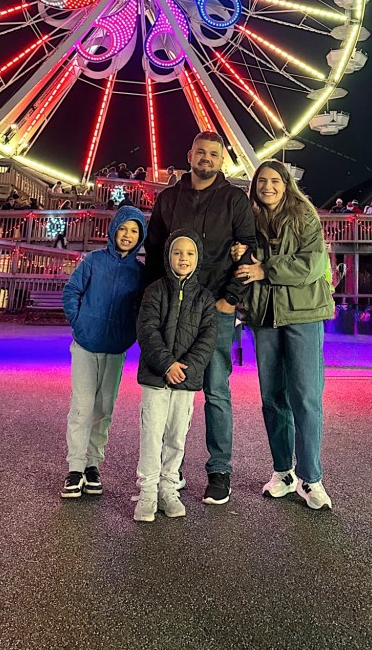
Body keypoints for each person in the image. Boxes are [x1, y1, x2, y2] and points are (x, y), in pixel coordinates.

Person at [144, 130, 256, 506]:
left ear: (222, 160)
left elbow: (249, 249)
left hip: (215, 307)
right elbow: (154, 252)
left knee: (216, 389)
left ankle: (219, 470)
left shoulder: (234, 200)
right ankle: (165, 472)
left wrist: (230, 300)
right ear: (189, 155)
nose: (206, 158)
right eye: (201, 152)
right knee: (167, 388)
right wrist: (152, 301)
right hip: (173, 306)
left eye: (213, 153)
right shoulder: (168, 199)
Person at [233, 161, 335, 510]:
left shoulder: (304, 216)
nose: (268, 186)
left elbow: (312, 263)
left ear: (286, 183)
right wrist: (242, 256)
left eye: (275, 180)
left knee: (306, 397)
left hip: (304, 313)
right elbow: (243, 263)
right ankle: (283, 471)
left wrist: (265, 268)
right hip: (265, 316)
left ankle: (311, 477)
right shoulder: (249, 219)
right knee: (272, 397)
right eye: (262, 181)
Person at [61, 206, 147, 500]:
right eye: (123, 228)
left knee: (104, 409)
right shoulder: (94, 261)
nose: (127, 235)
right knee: (82, 406)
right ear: (114, 230)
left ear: (140, 237)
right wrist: (79, 322)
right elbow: (71, 291)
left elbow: (141, 308)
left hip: (115, 349)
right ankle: (75, 467)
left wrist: (129, 334)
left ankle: (92, 464)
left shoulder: (139, 272)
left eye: (134, 231)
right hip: (86, 345)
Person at [134, 230, 217, 522]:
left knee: (176, 437)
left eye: (190, 253)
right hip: (156, 376)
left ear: (198, 258)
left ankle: (168, 488)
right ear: (168, 256)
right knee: (152, 435)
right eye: (178, 252)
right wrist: (167, 364)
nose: (184, 258)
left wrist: (186, 368)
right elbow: (147, 330)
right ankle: (147, 492)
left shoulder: (205, 298)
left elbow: (208, 338)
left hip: (185, 381)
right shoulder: (154, 291)